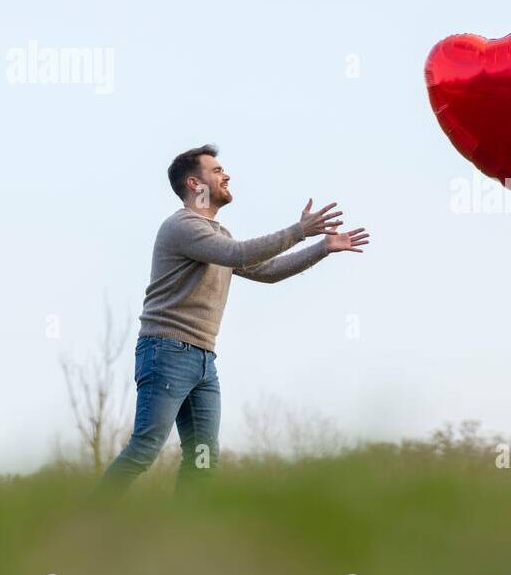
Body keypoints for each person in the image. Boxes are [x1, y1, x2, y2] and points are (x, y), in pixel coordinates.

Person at [97, 143, 370, 498]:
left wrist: (322, 248)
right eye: (217, 171)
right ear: (195, 184)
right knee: (145, 447)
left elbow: (266, 271)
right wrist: (299, 231)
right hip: (167, 351)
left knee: (203, 459)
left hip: (203, 360)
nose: (226, 176)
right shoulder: (183, 227)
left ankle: (186, 527)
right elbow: (240, 254)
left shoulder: (217, 236)